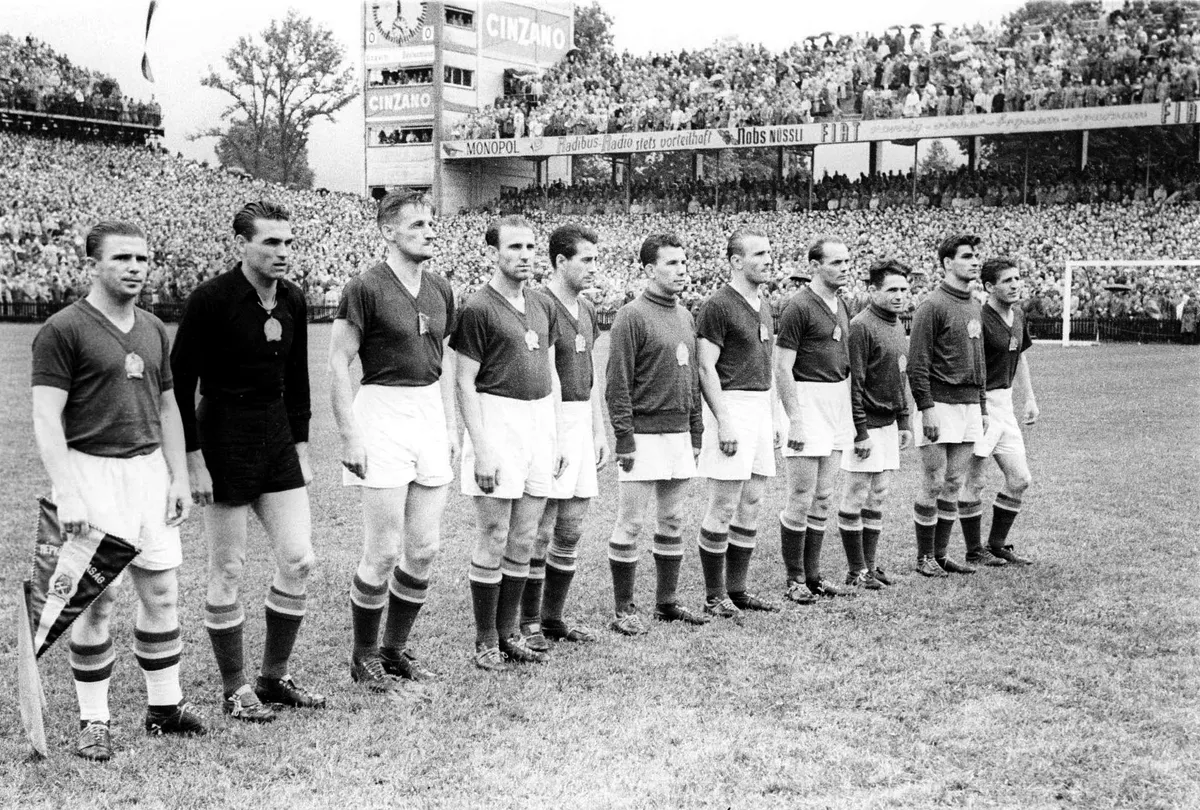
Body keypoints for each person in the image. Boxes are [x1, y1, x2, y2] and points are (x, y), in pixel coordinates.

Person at [31, 221, 203, 761]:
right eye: (122, 257)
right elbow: (46, 416)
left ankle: (164, 707)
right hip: (90, 473)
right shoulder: (63, 329)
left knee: (162, 592)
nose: (135, 268)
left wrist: (178, 477)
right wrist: (68, 492)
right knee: (96, 600)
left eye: (142, 259)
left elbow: (168, 406)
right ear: (93, 264)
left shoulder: (152, 327)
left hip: (148, 472)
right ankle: (94, 719)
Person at [172, 201, 324, 723]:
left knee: (299, 559)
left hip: (276, 438)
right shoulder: (211, 299)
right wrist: (193, 460)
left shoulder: (293, 299)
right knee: (229, 567)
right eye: (271, 242)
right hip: (223, 438)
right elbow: (180, 385)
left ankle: (273, 677)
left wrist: (301, 448)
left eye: (288, 242)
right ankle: (235, 689)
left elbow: (298, 380)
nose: (283, 252)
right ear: (243, 244)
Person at [329, 190, 457, 695]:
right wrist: (349, 434)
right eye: (417, 224)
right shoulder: (364, 287)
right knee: (383, 550)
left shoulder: (440, 287)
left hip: (428, 413)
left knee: (424, 548)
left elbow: (445, 360)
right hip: (381, 411)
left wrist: (450, 426)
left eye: (431, 223)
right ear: (388, 231)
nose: (429, 231)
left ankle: (394, 649)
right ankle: (363, 655)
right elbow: (338, 362)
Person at [451, 215, 564, 671]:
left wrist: (556, 436)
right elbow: (463, 382)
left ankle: (509, 633)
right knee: (495, 533)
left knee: (525, 536)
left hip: (539, 421)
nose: (525, 256)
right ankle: (485, 640)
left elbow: (552, 372)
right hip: (497, 421)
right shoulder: (478, 308)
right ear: (493, 253)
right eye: (515, 247)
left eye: (531, 247)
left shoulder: (542, 304)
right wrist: (481, 447)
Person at [605, 233, 707, 635]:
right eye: (671, 263)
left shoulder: (685, 316)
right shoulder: (630, 316)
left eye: (684, 263)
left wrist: (696, 431)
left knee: (673, 519)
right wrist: (624, 438)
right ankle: (624, 608)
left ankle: (666, 602)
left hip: (678, 433)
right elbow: (617, 383)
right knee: (630, 523)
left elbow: (692, 379)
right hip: (643, 434)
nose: (682, 271)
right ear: (649, 269)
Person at [521, 225, 610, 650]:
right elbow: (550, 374)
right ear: (560, 261)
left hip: (580, 420)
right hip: (550, 419)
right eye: (585, 260)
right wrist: (557, 435)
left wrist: (598, 430)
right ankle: (528, 621)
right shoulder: (540, 303)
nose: (593, 267)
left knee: (571, 526)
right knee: (541, 527)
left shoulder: (587, 308)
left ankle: (554, 617)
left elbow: (589, 374)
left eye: (595, 259)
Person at [694, 228, 782, 621]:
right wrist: (724, 420)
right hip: (731, 406)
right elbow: (705, 366)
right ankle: (714, 595)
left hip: (760, 406)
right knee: (724, 503)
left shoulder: (763, 303)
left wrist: (774, 415)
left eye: (769, 252)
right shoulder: (718, 305)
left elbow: (768, 365)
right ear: (735, 260)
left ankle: (737, 590)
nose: (768, 259)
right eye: (759, 253)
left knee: (752, 501)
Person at [774, 237, 856, 602]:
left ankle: (813, 576)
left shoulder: (842, 304)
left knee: (824, 497)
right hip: (806, 400)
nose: (844, 268)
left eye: (846, 261)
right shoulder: (799, 306)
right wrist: (795, 418)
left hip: (835, 401)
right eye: (836, 262)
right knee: (801, 495)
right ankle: (794, 579)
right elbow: (782, 366)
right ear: (814, 266)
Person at [907, 233, 989, 578]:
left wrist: (982, 405)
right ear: (947, 263)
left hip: (969, 404)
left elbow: (978, 359)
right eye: (967, 256)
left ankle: (941, 555)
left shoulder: (974, 304)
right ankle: (924, 556)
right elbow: (917, 363)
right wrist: (926, 407)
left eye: (976, 256)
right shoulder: (932, 305)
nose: (975, 261)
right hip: (939, 403)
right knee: (934, 480)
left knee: (955, 481)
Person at [838, 259, 913, 590]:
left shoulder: (897, 325)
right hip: (866, 424)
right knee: (855, 493)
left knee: (878, 493)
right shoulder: (861, 326)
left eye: (904, 289)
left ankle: (869, 565)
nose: (899, 295)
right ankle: (856, 570)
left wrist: (904, 420)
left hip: (888, 423)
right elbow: (854, 382)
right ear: (872, 290)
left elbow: (900, 376)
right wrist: (860, 431)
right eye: (892, 289)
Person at [961, 257, 1039, 566]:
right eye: (1007, 280)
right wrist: (979, 408)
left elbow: (1020, 356)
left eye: (1017, 278)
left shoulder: (1018, 314)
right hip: (981, 404)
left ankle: (996, 545)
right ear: (989, 287)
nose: (1015, 285)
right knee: (975, 481)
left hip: (1005, 405)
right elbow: (970, 364)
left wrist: (1029, 397)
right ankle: (973, 551)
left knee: (1019, 479)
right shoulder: (979, 318)